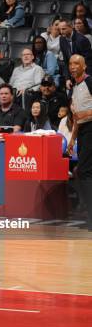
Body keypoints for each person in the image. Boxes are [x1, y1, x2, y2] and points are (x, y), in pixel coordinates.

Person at [67, 54, 92, 230]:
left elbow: (84, 115)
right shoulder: (73, 88)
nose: (73, 66)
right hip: (83, 132)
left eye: (77, 63)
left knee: (83, 171)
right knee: (81, 172)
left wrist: (87, 115)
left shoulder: (90, 82)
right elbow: (76, 117)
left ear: (84, 66)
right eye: (70, 63)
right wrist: (72, 139)